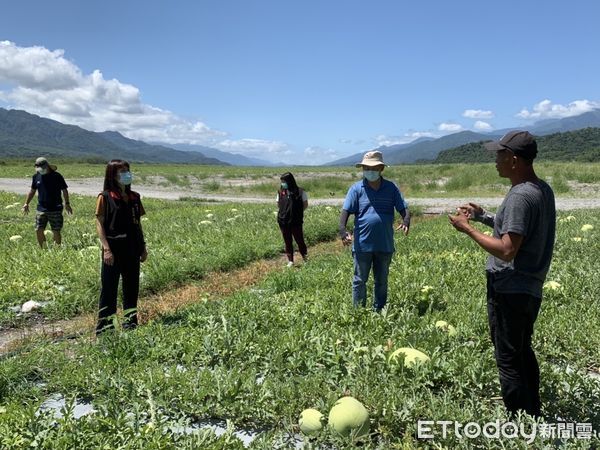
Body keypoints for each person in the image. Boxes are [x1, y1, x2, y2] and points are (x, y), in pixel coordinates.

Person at [448, 130, 555, 418]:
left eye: (499, 154)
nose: (495, 160)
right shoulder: (541, 189)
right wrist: (483, 215)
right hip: (528, 287)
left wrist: (468, 228)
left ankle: (518, 421)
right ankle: (533, 412)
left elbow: (507, 249)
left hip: (510, 288)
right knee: (522, 351)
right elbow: (514, 228)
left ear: (514, 160)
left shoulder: (521, 196)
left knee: (507, 358)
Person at [339, 151, 410, 311]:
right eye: (366, 168)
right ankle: (358, 311)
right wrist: (343, 230)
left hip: (384, 244)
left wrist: (406, 220)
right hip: (362, 245)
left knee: (382, 280)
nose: (369, 171)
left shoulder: (391, 188)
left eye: (373, 168)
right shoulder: (356, 189)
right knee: (359, 280)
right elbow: (346, 212)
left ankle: (379, 309)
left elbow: (403, 208)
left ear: (380, 169)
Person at [95, 159, 148, 335]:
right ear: (112, 175)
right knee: (109, 290)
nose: (126, 174)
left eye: (127, 170)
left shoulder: (134, 197)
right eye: (121, 171)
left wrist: (143, 247)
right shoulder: (105, 197)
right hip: (114, 249)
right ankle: (105, 330)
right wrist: (106, 249)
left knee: (131, 288)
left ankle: (131, 324)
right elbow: (99, 223)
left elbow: (137, 223)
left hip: (132, 248)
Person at [22, 157, 73, 247]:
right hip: (41, 208)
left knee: (56, 230)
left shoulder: (57, 176)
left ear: (47, 167)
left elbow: (64, 190)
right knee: (38, 229)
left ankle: (57, 249)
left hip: (55, 208)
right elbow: (32, 191)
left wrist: (67, 203)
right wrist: (26, 203)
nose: (40, 170)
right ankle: (43, 248)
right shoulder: (36, 176)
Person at [276, 172, 308, 267]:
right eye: (282, 182)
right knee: (287, 241)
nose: (282, 184)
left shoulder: (300, 191)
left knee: (299, 240)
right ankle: (290, 261)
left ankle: (305, 258)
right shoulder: (280, 192)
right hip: (283, 221)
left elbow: (305, 204)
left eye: (284, 181)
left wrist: (296, 213)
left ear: (289, 181)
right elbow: (278, 204)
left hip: (296, 222)